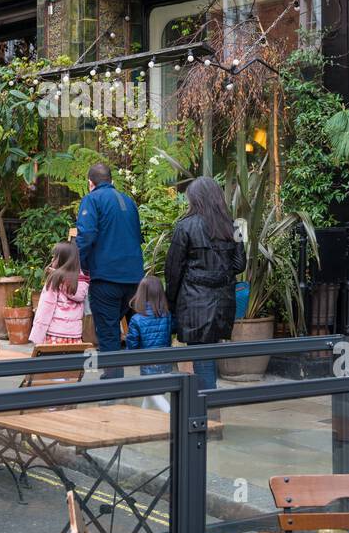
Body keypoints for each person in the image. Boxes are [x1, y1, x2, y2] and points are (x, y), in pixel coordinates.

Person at [164, 176, 246, 389]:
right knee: (208, 357)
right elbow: (240, 264)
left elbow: (173, 271)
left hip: (195, 303)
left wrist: (170, 303)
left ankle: (205, 411)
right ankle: (210, 409)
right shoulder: (235, 226)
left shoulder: (185, 227)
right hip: (224, 302)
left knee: (202, 360)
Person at [75, 162, 145, 371]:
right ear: (111, 181)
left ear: (90, 183)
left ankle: (112, 386)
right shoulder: (129, 201)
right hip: (134, 279)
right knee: (133, 332)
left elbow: (86, 237)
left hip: (106, 278)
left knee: (108, 335)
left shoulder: (91, 200)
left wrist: (82, 267)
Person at [125, 275, 173, 412]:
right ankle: (142, 416)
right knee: (149, 394)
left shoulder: (137, 319)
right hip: (166, 362)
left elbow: (132, 344)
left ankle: (174, 417)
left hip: (148, 365)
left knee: (154, 394)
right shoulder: (167, 315)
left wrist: (128, 355)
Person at [29, 241, 89, 345]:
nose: (52, 260)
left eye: (54, 257)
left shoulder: (55, 279)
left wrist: (37, 336)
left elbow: (45, 308)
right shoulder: (82, 281)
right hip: (75, 336)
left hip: (54, 335)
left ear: (62, 260)